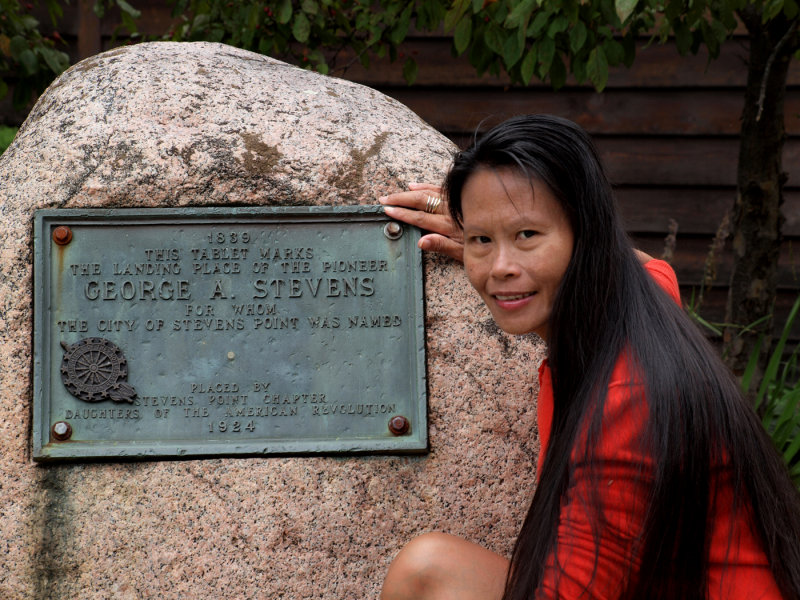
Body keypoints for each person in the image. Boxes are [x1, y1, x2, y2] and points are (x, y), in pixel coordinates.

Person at [377, 115, 800, 600]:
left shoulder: (627, 400)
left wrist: (498, 228)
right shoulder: (641, 310)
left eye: (529, 236)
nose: (501, 268)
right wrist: (501, 224)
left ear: (589, 238)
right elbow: (653, 268)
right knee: (428, 569)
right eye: (480, 242)